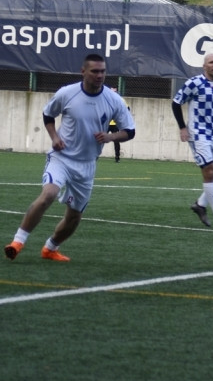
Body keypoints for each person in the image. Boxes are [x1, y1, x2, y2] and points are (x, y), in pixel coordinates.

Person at [4, 54, 135, 262]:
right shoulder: (67, 93)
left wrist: (111, 136)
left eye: (102, 71)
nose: (100, 75)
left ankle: (50, 248)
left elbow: (130, 131)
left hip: (87, 164)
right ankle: (17, 242)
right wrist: (54, 137)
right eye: (95, 71)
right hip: (62, 158)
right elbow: (48, 115)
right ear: (83, 71)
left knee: (74, 217)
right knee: (48, 194)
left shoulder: (114, 100)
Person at [172, 53, 213, 230]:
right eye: (211, 62)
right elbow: (176, 102)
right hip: (198, 135)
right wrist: (182, 127)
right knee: (209, 172)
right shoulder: (194, 83)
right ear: (204, 66)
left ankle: (200, 204)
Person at [107, 87, 130, 162]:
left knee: (116, 140)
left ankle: (117, 157)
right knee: (99, 139)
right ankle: (93, 156)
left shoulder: (120, 100)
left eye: (114, 91)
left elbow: (127, 108)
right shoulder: (106, 100)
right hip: (106, 123)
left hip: (114, 124)